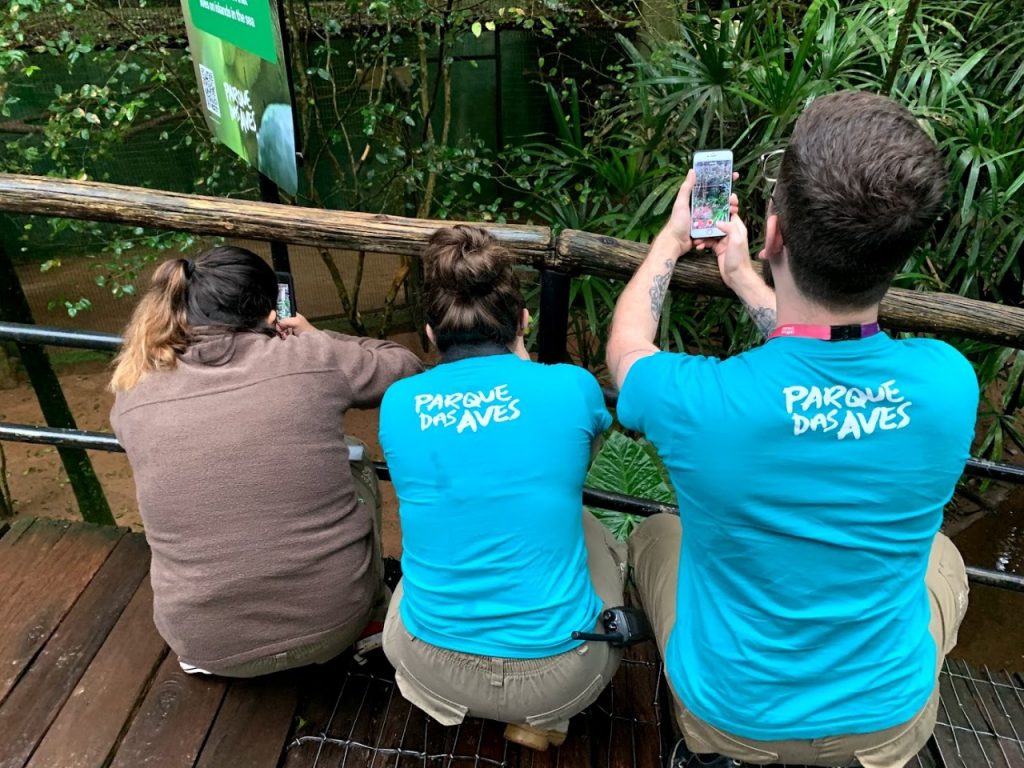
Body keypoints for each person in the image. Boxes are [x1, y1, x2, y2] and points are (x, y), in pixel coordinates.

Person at [606, 91, 977, 767]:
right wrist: (745, 279)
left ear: (775, 232)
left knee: (659, 535)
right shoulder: (950, 384)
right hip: (885, 724)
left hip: (731, 717)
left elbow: (628, 350)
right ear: (899, 252)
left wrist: (671, 241)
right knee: (943, 557)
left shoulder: (706, 401)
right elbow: (836, 353)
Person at [110, 245, 422, 677]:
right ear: (269, 312)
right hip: (334, 625)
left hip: (204, 647)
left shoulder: (133, 387)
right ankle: (371, 607)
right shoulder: (308, 356)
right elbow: (403, 365)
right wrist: (316, 338)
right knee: (354, 454)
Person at [379, 225, 626, 751]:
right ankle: (542, 719)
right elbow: (578, 461)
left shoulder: (399, 403)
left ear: (430, 333)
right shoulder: (573, 386)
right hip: (562, 677)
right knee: (589, 528)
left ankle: (440, 701)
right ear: (523, 321)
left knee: (415, 578)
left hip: (428, 663)